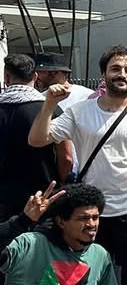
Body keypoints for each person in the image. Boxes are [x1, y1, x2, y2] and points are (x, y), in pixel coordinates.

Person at [29, 46, 127, 285]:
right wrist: (49, 104)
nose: (122, 74)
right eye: (116, 68)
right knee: (96, 280)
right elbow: (37, 139)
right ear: (103, 74)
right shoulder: (79, 111)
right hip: (93, 213)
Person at [0, 54, 73, 218]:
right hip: (43, 195)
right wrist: (61, 184)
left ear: (7, 78)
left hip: (3, 198)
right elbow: (66, 157)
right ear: (35, 76)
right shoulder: (51, 109)